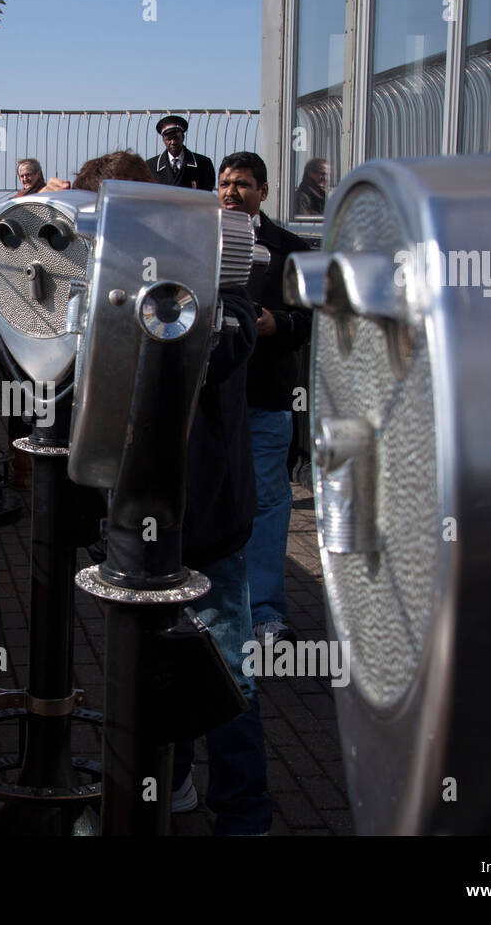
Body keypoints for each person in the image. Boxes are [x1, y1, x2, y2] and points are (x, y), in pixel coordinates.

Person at [69, 151, 271, 834]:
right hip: (137, 518)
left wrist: (155, 303)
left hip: (205, 519)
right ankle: (170, 781)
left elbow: (225, 346)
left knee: (227, 677)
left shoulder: (220, 272)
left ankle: (244, 816)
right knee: (153, 663)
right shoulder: (105, 288)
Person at [217, 151, 313, 646]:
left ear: (265, 192)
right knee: (212, 502)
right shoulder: (200, 242)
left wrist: (280, 323)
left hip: (265, 400)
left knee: (269, 504)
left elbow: (314, 318)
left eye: (244, 185)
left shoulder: (291, 250)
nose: (232, 193)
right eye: (226, 184)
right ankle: (214, 608)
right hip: (210, 403)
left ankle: (266, 615)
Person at [151, 115, 216, 191]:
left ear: (183, 137)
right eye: (169, 139)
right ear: (163, 140)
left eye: (175, 138)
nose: (173, 142)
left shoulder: (203, 164)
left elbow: (206, 195)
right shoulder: (151, 166)